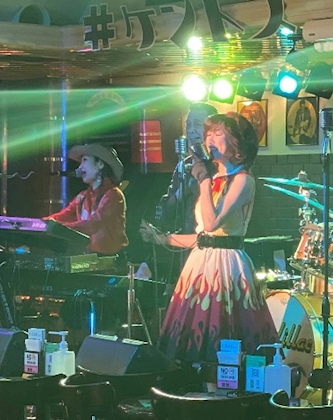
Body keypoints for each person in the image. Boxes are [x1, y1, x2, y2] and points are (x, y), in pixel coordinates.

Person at [147, 112, 278, 365]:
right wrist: (162, 238)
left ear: (237, 144)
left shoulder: (243, 180)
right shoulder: (212, 179)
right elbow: (203, 236)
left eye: (218, 133)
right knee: (188, 338)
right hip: (200, 263)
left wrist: (204, 180)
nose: (210, 139)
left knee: (224, 331)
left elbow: (212, 223)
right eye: (208, 134)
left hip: (227, 265)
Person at [45, 143, 128, 255]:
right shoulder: (82, 197)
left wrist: (57, 228)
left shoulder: (113, 195)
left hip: (110, 260)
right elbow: (61, 217)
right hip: (89, 256)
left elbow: (93, 224)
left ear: (100, 164)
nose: (80, 167)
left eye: (85, 160)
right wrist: (41, 223)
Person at [155, 102, 218, 235]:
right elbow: (167, 211)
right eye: (188, 125)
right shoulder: (184, 164)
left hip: (212, 239)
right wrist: (180, 192)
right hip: (185, 239)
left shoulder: (221, 164)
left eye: (197, 124)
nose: (191, 130)